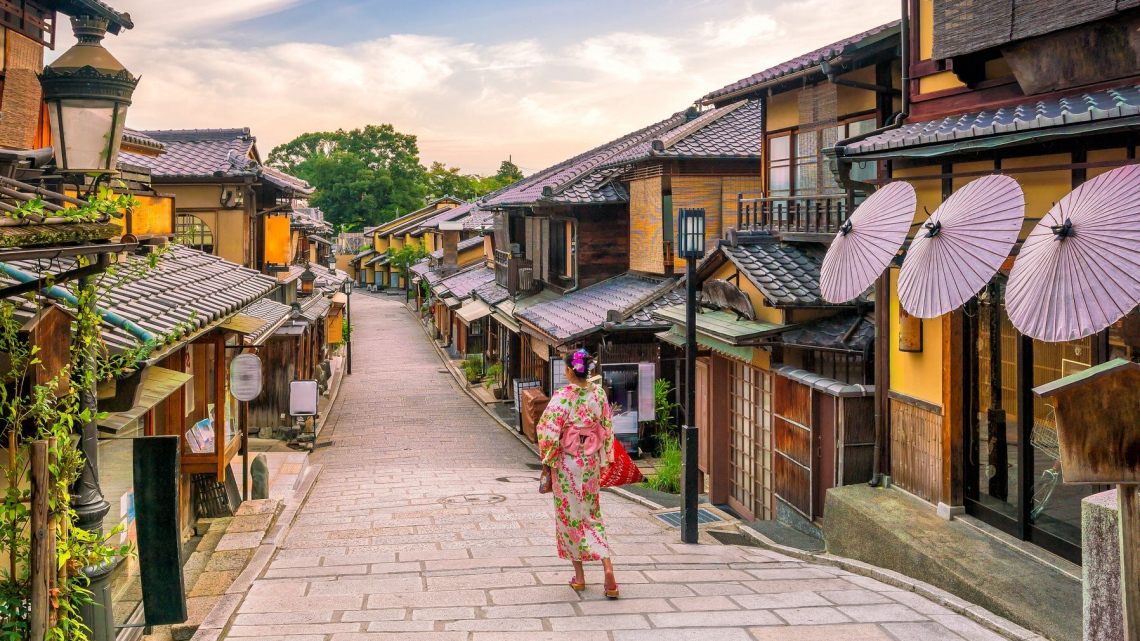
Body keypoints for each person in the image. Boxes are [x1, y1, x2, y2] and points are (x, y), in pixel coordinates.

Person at [537, 349, 619, 598]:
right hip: (590, 462)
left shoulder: (563, 396)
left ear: (570, 371)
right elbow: (606, 427)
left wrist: (548, 460)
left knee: (570, 518)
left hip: (567, 464)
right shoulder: (599, 394)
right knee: (592, 515)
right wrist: (605, 458)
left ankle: (580, 577)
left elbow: (547, 430)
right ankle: (608, 572)